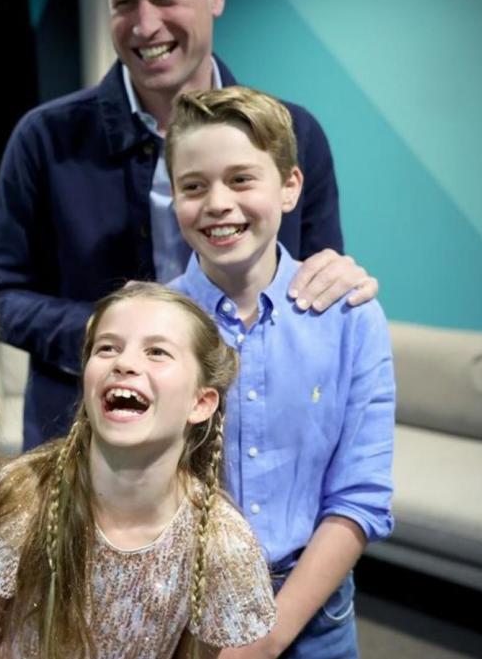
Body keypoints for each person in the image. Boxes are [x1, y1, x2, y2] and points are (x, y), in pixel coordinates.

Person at [0, 0, 379, 449]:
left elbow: (315, 283)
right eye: (125, 3)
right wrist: (106, 332)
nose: (145, 25)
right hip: (82, 442)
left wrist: (339, 278)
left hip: (251, 441)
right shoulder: (44, 138)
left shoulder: (297, 134)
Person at [166, 86, 394, 658]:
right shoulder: (153, 324)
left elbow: (360, 497)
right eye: (194, 186)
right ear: (173, 198)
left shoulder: (351, 320)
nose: (218, 203)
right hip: (181, 611)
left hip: (314, 613)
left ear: (290, 186)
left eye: (242, 179)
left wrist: (270, 638)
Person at [0, 281, 275, 659]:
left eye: (157, 352)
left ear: (201, 403)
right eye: (107, 348)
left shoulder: (220, 541)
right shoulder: (25, 497)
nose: (124, 363)